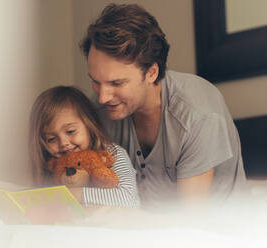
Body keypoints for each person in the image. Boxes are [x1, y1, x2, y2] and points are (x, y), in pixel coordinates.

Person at [79, 3, 246, 210]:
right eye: (96, 81)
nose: (103, 97)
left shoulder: (198, 114)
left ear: (151, 73)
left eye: (116, 83)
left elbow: (189, 222)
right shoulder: (98, 111)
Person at [29, 86, 140, 209]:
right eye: (51, 139)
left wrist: (76, 195)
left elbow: (130, 199)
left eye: (70, 131)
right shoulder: (53, 166)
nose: (63, 143)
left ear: (89, 124)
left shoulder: (112, 154)